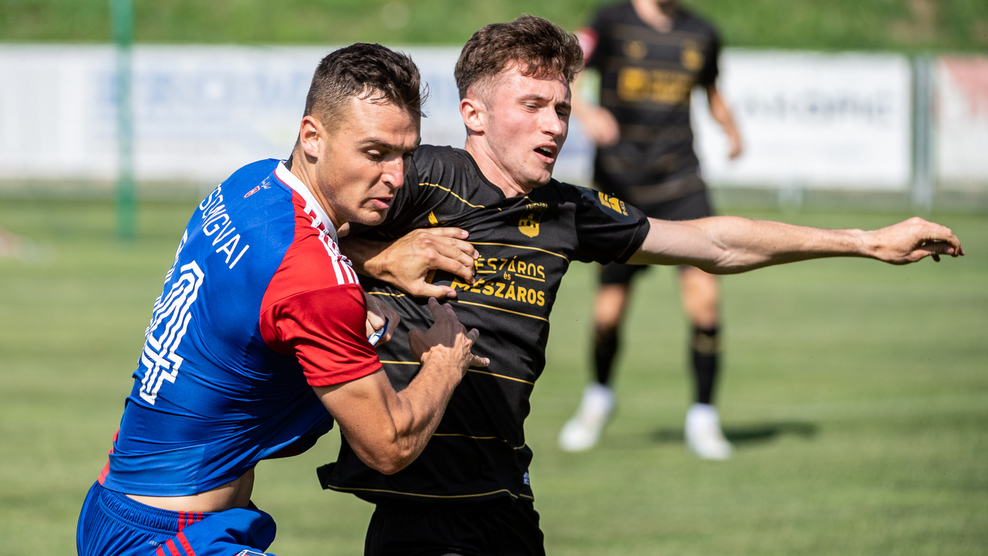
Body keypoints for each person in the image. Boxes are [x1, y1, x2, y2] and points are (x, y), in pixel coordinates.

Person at [318, 16, 964, 556]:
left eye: (562, 108)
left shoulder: (567, 209)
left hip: (504, 494)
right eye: (533, 106)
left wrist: (863, 241)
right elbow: (294, 221)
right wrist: (382, 258)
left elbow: (716, 243)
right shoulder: (421, 176)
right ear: (474, 114)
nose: (554, 125)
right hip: (424, 504)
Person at [76, 43, 488, 556]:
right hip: (166, 535)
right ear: (312, 136)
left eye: (405, 154)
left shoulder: (248, 184)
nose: (397, 176)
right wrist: (446, 362)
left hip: (117, 504)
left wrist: (375, 263)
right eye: (375, 153)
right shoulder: (314, 282)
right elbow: (389, 444)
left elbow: (283, 265)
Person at [558, 0, 744, 459]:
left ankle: (704, 417)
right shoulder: (610, 20)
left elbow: (711, 92)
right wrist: (586, 112)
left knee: (705, 304)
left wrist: (732, 129)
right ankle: (599, 396)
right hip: (620, 188)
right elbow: (569, 73)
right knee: (608, 316)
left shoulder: (701, 31)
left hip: (682, 183)